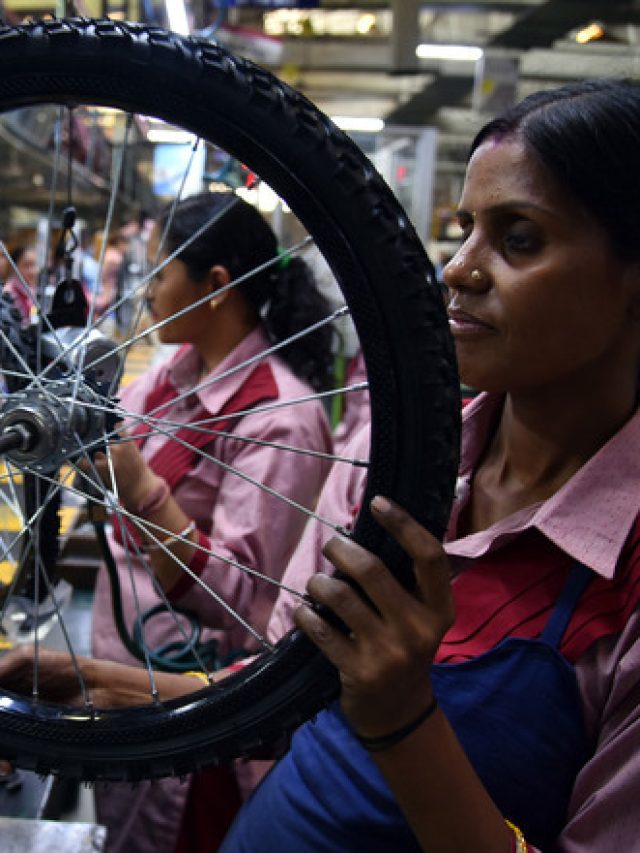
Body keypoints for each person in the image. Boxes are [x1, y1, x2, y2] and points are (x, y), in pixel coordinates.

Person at [1, 77, 639, 852]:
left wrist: (405, 716)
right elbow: (291, 681)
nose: (459, 269)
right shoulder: (391, 463)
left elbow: (244, 600)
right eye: (465, 228)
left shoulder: (623, 573)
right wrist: (100, 687)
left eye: (520, 239)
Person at [85, 190, 335, 852]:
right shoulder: (171, 375)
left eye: (160, 272)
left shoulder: (282, 415)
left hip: (198, 714)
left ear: (215, 285)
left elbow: (248, 599)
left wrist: (142, 486)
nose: (147, 293)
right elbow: (109, 452)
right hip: (123, 681)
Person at [2, 244, 39, 324]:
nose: (32, 271)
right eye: (26, 265)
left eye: (34, 265)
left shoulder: (31, 290)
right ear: (14, 267)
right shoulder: (9, 293)